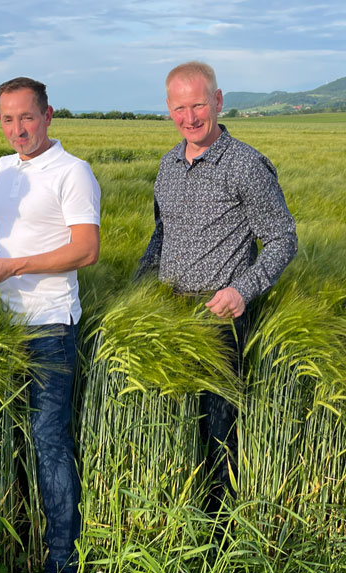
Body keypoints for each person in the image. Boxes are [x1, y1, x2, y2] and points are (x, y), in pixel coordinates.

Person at [0, 77, 101, 573]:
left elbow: (86, 249)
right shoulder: (1, 170)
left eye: (27, 117)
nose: (18, 128)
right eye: (8, 119)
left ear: (49, 114)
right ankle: (16, 541)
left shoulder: (72, 172)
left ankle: (62, 565)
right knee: (11, 438)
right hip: (2, 326)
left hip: (50, 325)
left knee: (47, 439)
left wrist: (15, 268)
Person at [135, 61, 297, 518]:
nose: (190, 116)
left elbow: (283, 239)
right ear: (169, 109)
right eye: (180, 107)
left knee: (218, 434)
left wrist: (242, 290)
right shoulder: (168, 165)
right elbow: (161, 236)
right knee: (173, 428)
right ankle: (177, 523)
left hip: (219, 318)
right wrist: (136, 297)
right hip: (168, 314)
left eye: (199, 104)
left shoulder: (246, 165)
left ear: (219, 101)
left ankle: (217, 543)